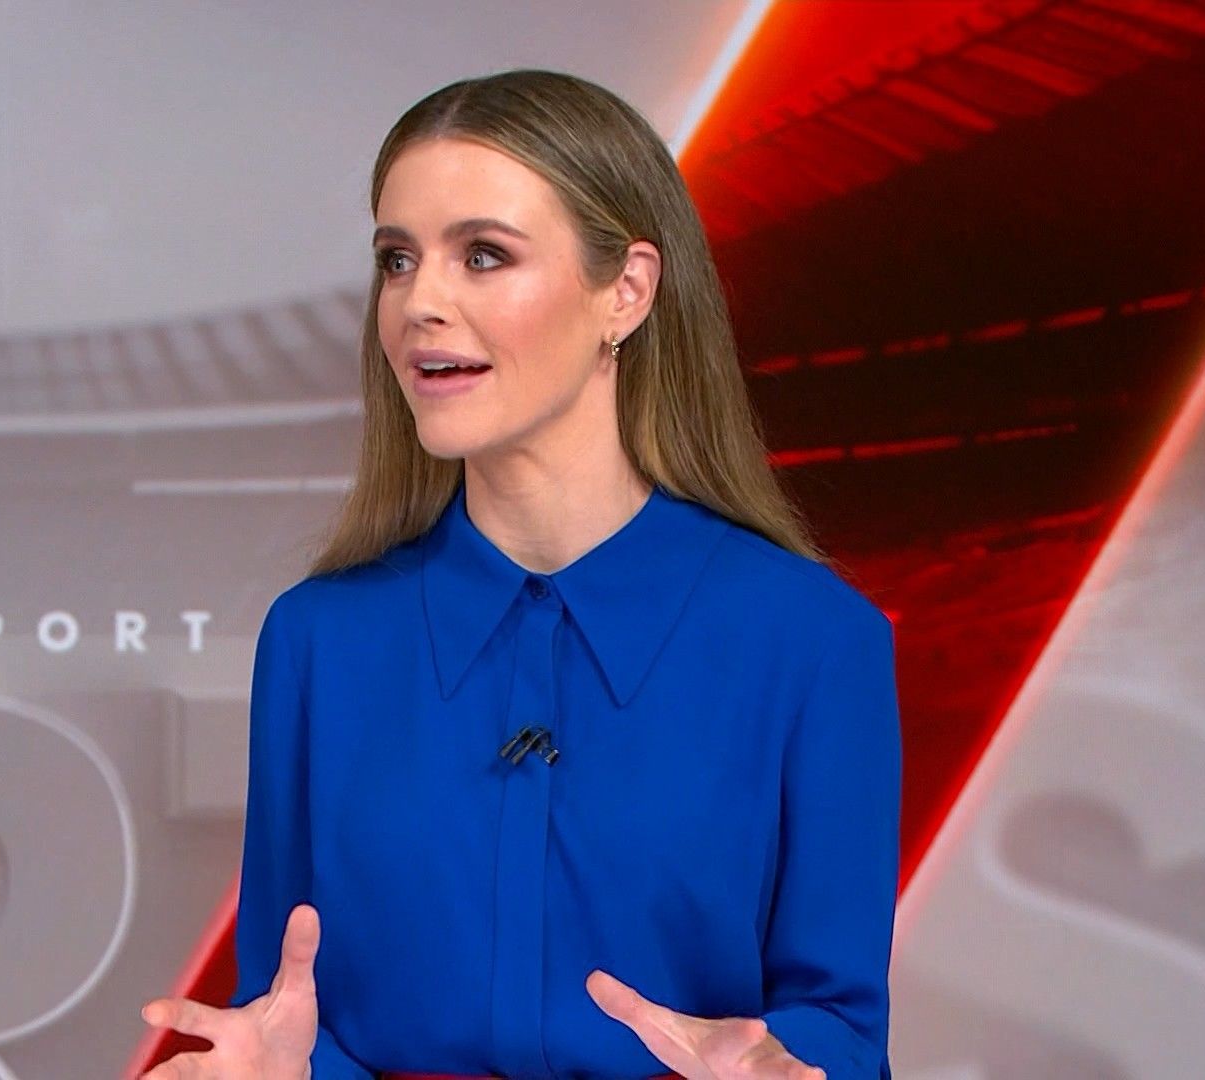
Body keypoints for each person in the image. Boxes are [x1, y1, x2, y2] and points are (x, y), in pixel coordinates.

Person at [140, 68, 902, 1080]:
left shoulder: (813, 642)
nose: (420, 303)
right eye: (397, 259)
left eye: (484, 255)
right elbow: (287, 1009)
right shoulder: (318, 640)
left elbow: (842, 1027)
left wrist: (786, 1067)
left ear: (626, 290)